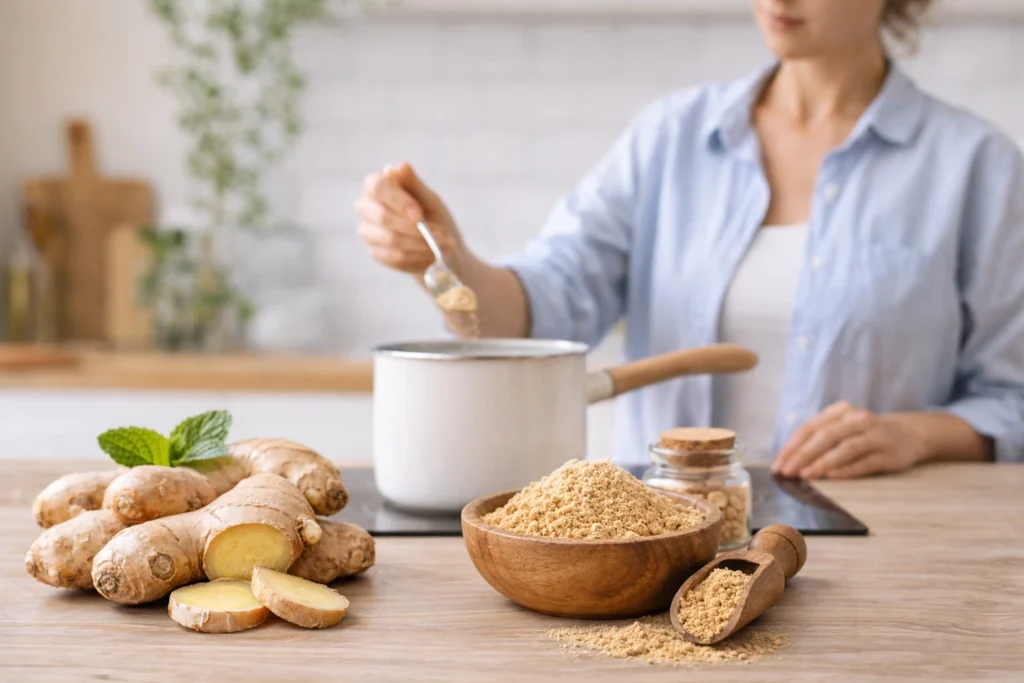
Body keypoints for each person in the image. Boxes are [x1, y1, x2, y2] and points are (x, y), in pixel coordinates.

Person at [354, 0, 1024, 478]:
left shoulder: (976, 167)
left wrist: (913, 434)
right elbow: (539, 312)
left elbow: (1012, 398)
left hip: (887, 548)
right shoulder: (669, 139)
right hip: (665, 550)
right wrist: (443, 258)